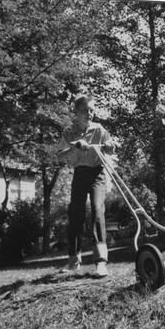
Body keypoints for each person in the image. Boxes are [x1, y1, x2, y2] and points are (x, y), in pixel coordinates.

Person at [57, 94, 115, 277]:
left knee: (98, 212)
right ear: (76, 112)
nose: (90, 114)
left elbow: (110, 147)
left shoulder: (99, 129)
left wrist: (109, 145)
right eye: (85, 110)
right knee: (76, 215)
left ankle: (101, 262)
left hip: (97, 174)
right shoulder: (68, 132)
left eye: (92, 110)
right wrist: (74, 147)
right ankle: (74, 261)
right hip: (79, 174)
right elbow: (60, 156)